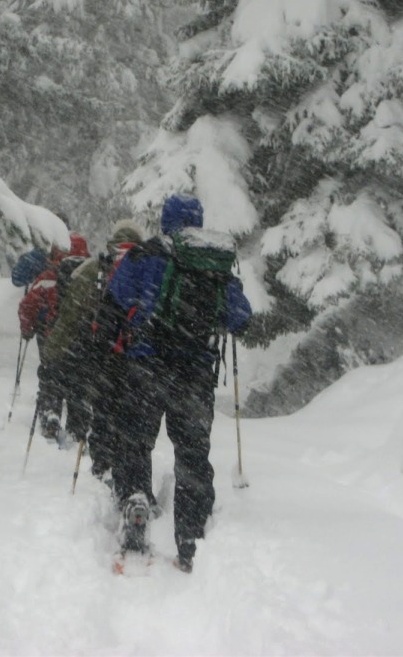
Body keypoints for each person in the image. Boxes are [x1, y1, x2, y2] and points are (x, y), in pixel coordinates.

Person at [105, 194, 252, 573]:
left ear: (165, 220)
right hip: (195, 372)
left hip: (146, 365)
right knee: (191, 454)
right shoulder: (214, 263)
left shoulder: (144, 255)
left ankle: (136, 499)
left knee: (136, 441)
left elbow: (116, 297)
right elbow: (240, 317)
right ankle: (190, 538)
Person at [42, 219, 144, 477]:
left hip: (98, 352)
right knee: (131, 416)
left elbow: (69, 318)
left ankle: (102, 465)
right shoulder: (149, 269)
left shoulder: (93, 270)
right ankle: (129, 470)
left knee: (102, 410)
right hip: (136, 357)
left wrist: (51, 355)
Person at [18, 232, 90, 443]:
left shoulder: (48, 278)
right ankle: (78, 426)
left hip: (51, 337)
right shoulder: (92, 276)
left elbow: (27, 306)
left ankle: (51, 412)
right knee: (79, 384)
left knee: (51, 377)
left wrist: (27, 329)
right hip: (83, 342)